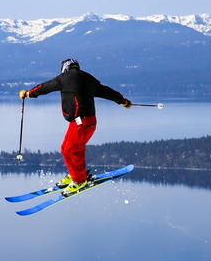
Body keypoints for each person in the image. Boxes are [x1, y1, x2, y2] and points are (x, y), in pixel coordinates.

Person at [19, 58, 132, 196]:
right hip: (85, 121)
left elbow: (46, 87)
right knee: (66, 148)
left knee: (72, 150)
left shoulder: (65, 77)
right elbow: (107, 91)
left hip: (81, 122)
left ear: (64, 68)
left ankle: (80, 181)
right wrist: (122, 101)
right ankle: (76, 175)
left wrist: (29, 93)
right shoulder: (88, 78)